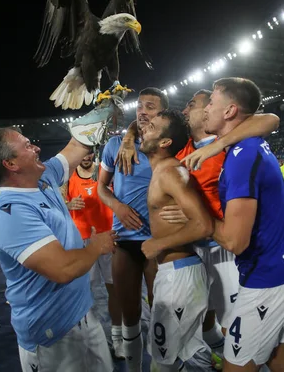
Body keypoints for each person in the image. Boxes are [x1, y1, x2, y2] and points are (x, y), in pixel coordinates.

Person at [118, 89, 280, 367]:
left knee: (235, 329)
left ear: (210, 112)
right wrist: (128, 136)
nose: (186, 109)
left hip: (223, 248)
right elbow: (148, 124)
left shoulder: (224, 144)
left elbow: (271, 120)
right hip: (193, 250)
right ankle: (213, 360)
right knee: (201, 328)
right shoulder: (181, 149)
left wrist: (217, 145)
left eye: (193, 104)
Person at [0, 127, 117, 371]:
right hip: (51, 332)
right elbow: (62, 269)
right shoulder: (12, 212)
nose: (37, 148)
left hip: (83, 314)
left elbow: (77, 145)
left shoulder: (43, 178)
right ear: (10, 163)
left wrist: (103, 109)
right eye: (28, 146)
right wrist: (95, 247)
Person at [194, 77, 284, 372]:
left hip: (267, 279)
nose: (205, 110)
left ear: (230, 111)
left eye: (212, 103)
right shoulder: (247, 147)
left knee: (237, 367)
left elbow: (234, 242)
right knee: (277, 358)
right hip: (277, 271)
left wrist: (197, 216)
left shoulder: (243, 158)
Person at [135, 109, 213, 371]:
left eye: (153, 127)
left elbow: (203, 225)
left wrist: (158, 244)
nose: (145, 128)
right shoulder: (161, 171)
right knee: (183, 353)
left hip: (180, 276)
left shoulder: (170, 172)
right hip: (175, 273)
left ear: (165, 142)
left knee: (162, 361)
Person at [97, 87, 168, 371]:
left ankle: (164, 365)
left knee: (162, 313)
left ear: (162, 113)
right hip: (125, 241)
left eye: (150, 106)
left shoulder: (169, 143)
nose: (141, 111)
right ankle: (135, 368)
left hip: (158, 241)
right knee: (130, 314)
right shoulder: (115, 146)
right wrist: (117, 207)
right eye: (139, 105)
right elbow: (101, 187)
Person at [60, 151, 123, 357]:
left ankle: (117, 336)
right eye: (82, 155)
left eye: (88, 154)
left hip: (107, 236)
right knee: (90, 290)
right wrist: (68, 205)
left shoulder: (104, 173)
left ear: (94, 153)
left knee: (114, 288)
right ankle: (99, 337)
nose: (85, 158)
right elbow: (57, 205)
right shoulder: (68, 177)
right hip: (82, 240)